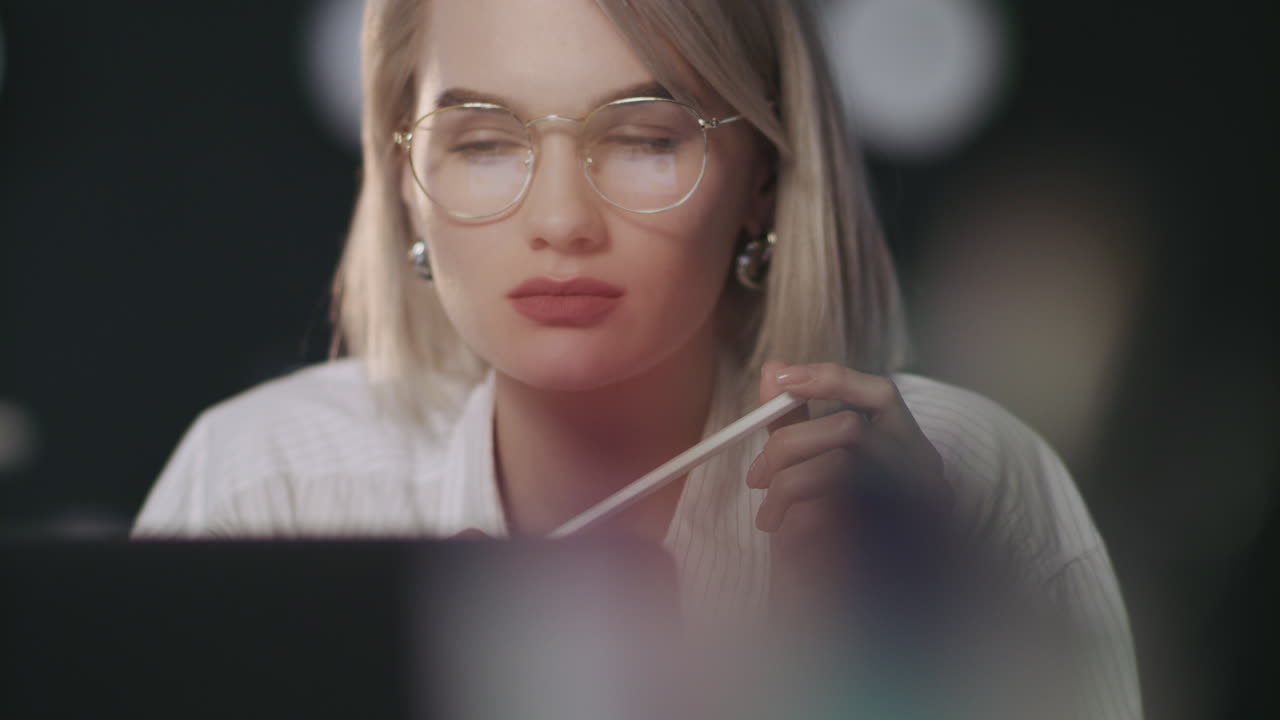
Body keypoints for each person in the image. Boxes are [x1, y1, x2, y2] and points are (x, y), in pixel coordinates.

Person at [134, 0, 1141, 716]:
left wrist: (899, 610)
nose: (563, 220)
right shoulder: (266, 485)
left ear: (761, 177)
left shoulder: (955, 479)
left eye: (646, 137)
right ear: (404, 180)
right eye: (482, 141)